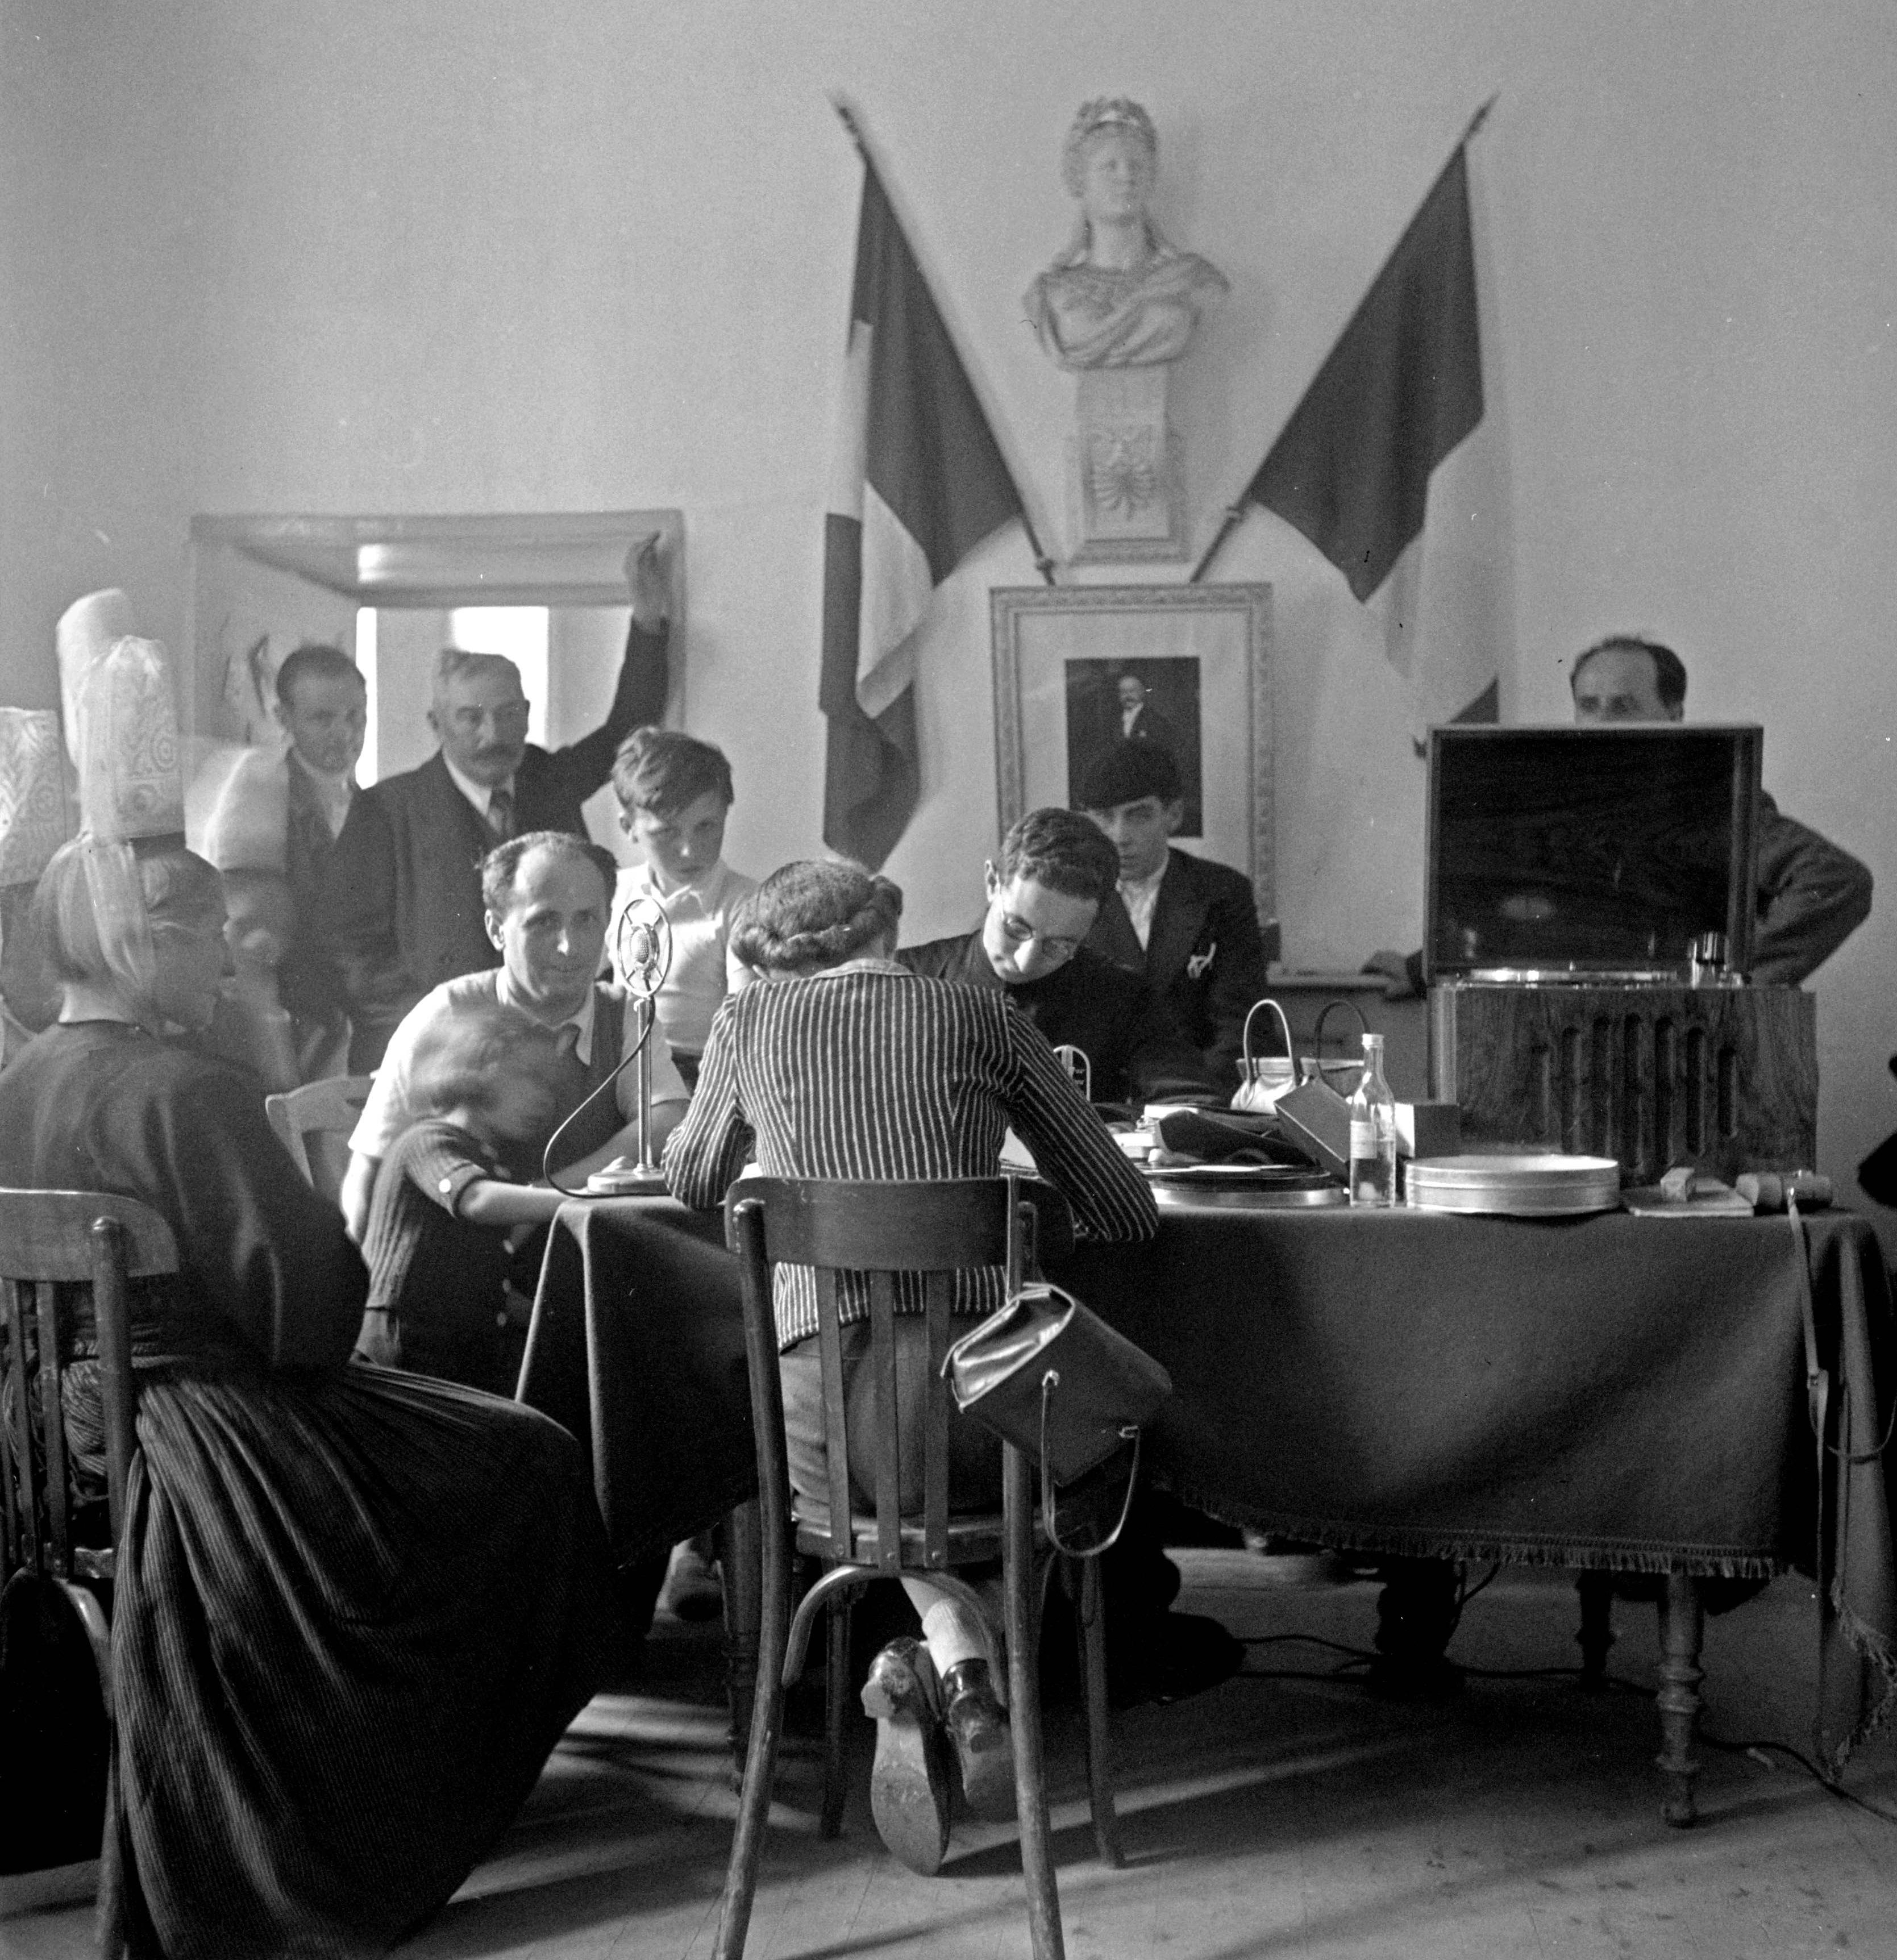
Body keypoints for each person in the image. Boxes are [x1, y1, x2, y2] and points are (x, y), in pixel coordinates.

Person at [0, 833, 619, 1957]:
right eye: (212, 950)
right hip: (199, 1425)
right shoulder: (190, 1087)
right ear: (154, 942)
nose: (226, 977)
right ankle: (401, 1800)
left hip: (44, 1427)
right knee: (523, 1453)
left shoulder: (18, 1078)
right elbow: (313, 1317)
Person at [664, 859, 1158, 1873]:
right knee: (1030, 1469)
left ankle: (927, 1666)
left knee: (886, 1483)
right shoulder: (982, 1015)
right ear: (886, 928)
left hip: (820, 1456)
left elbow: (693, 1177)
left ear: (771, 964)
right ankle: (965, 1677)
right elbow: (1124, 1206)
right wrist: (999, 1215)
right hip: (984, 1424)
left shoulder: (746, 1026)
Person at [321, 537, 672, 1068]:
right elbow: (350, 952)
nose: (494, 735)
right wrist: (446, 1021)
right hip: (430, 1053)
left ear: (528, 713)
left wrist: (647, 621)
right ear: (437, 724)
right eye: (471, 718)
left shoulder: (548, 779)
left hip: (547, 1050)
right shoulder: (386, 810)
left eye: (509, 714)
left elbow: (628, 730)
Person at [1366, 633, 1874, 994]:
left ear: (1673, 715)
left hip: (1684, 1047)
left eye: (1624, 706)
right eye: (1590, 705)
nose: (1602, 723)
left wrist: (1730, 982)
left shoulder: (1713, 803)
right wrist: (1417, 969)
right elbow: (1509, 907)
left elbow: (1836, 881)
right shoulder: (1563, 806)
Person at [339, 829, 690, 1243]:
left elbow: (666, 1122)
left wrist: (549, 1192)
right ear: (496, 929)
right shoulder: (447, 1012)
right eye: (544, 922)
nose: (569, 947)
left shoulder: (628, 1012)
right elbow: (368, 1178)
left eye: (586, 919)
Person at [898, 806, 1220, 1107]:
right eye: (1016, 928)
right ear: (993, 882)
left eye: (1059, 945)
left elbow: (1188, 1102)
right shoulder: (904, 979)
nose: (1025, 962)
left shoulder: (1123, 998)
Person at [356, 1003, 572, 1395]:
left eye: (551, 1088)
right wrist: (577, 1200)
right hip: (401, 1345)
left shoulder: (487, 1162)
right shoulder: (427, 1141)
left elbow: (483, 1283)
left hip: (448, 1345)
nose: (545, 1100)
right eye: (531, 1078)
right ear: (477, 1068)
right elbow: (476, 1201)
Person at [202, 641, 367, 1078]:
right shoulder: (262, 789)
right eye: (322, 718)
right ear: (284, 719)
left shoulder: (371, 807)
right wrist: (282, 1077)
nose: (344, 734)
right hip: (290, 1038)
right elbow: (251, 948)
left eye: (355, 716)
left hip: (345, 1031)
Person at [1079, 740, 1276, 1095]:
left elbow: (1241, 1026)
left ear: (1173, 815)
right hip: (1097, 1106)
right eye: (1104, 819)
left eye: (1138, 815)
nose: (1119, 837)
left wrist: (1192, 1103)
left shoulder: (1222, 893)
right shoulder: (1070, 896)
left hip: (1198, 1097)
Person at [1023, 97, 1228, 371]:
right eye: (1110, 166)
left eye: (1137, 166)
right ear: (1079, 180)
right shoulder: (1050, 294)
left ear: (1151, 178)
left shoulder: (1192, 280)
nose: (1126, 177)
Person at [606, 725, 758, 1092]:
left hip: (703, 1074)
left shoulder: (744, 904)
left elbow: (746, 1023)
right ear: (629, 827)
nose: (690, 850)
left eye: (706, 826)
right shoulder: (613, 891)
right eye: (668, 833)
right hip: (619, 1066)